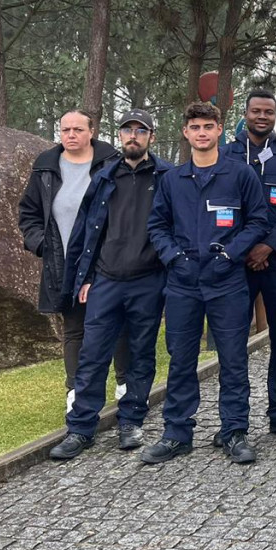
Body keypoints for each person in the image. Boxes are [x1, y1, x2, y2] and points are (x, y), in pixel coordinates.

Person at [144, 102, 270, 464]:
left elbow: (258, 221)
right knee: (181, 358)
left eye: (208, 126)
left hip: (226, 281)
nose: (202, 132)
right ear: (186, 133)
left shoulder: (240, 175)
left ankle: (233, 431)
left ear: (219, 131)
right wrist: (174, 257)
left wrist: (231, 254)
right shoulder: (172, 180)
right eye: (195, 127)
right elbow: (157, 226)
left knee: (233, 359)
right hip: (183, 282)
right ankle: (177, 433)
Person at [51, 111, 172, 460]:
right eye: (127, 130)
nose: (133, 136)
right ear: (119, 136)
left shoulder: (166, 177)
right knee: (92, 356)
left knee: (139, 356)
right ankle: (81, 428)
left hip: (148, 282)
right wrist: (84, 277)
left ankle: (131, 422)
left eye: (140, 130)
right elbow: (86, 233)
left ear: (151, 135)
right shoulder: (104, 178)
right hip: (106, 281)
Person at [18, 109, 126, 410]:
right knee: (74, 329)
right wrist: (41, 245)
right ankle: (76, 391)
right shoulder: (45, 168)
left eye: (78, 129)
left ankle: (124, 384)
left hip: (107, 263)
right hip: (64, 265)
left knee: (116, 323)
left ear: (91, 131)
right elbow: (28, 213)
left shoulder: (111, 163)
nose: (71, 135)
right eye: (65, 130)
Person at [225, 90, 276, 442]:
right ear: (245, 114)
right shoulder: (227, 155)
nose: (262, 116)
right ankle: (235, 420)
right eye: (256, 111)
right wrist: (245, 249)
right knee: (233, 342)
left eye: (268, 112)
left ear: (275, 116)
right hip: (237, 265)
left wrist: (268, 247)